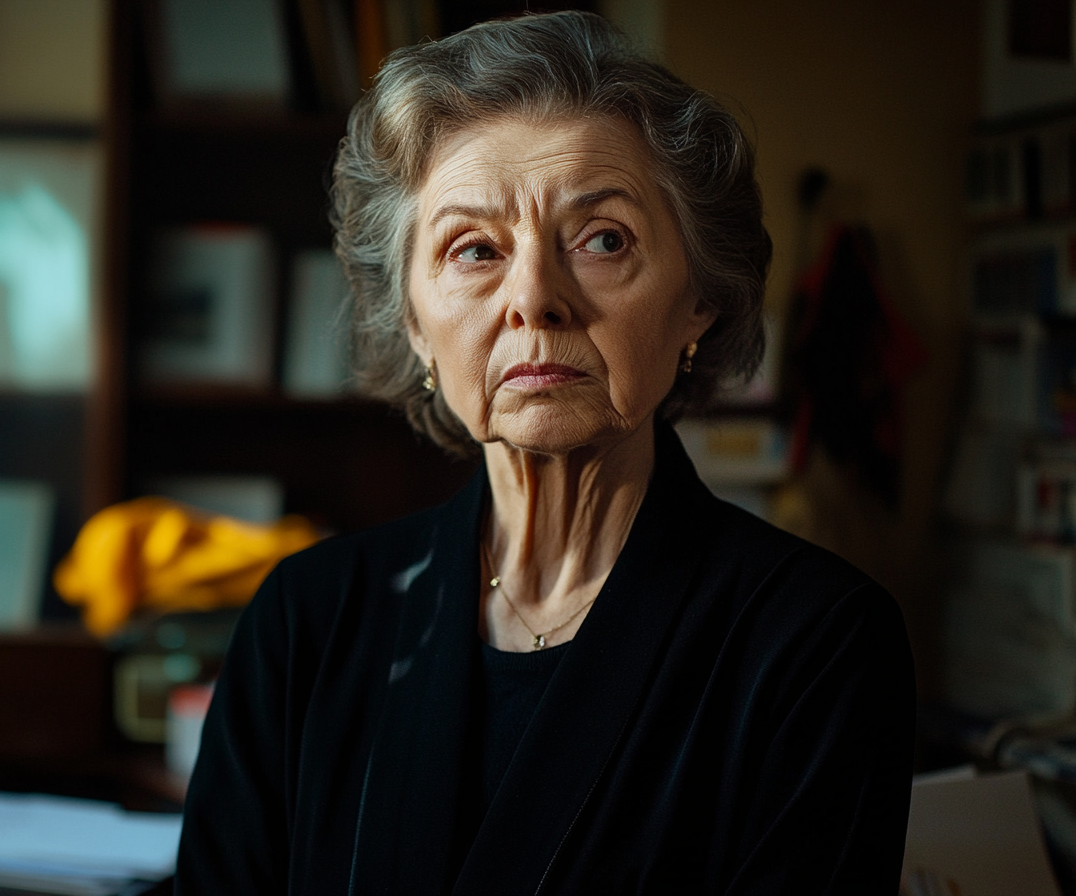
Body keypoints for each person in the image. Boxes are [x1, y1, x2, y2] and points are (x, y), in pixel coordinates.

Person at [175, 10, 914, 894]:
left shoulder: (814, 644)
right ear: (414, 322)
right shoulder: (307, 621)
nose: (534, 299)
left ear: (699, 301)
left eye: (602, 239)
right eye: (473, 249)